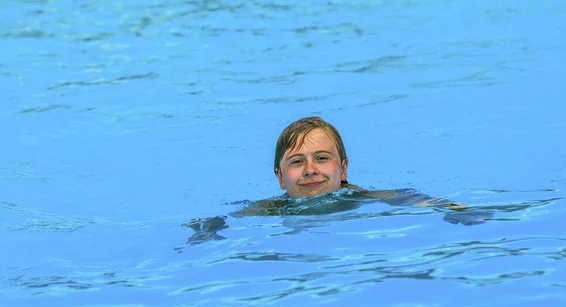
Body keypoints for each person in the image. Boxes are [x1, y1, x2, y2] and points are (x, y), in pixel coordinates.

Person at [182, 117, 491, 248]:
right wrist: (206, 229)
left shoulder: (359, 197)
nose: (310, 170)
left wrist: (451, 207)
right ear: (279, 178)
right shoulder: (272, 208)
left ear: (343, 169)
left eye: (322, 158)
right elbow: (224, 218)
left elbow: (406, 197)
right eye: (296, 161)